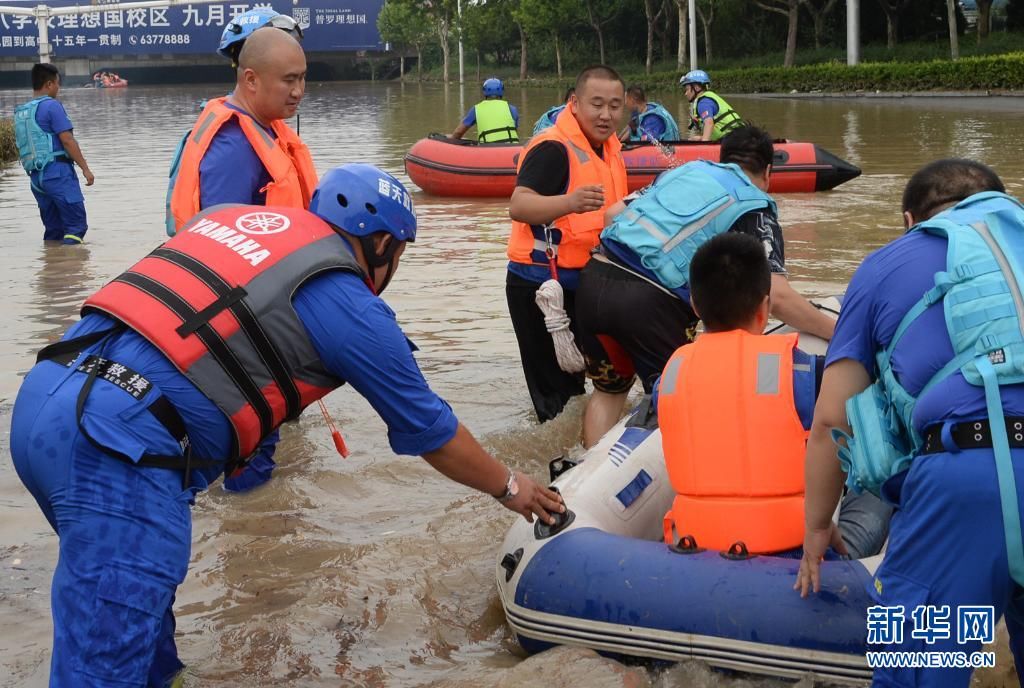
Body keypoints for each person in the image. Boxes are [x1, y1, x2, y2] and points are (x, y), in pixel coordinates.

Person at [9, 163, 565, 688]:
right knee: (104, 660)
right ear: (382, 246)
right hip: (117, 447)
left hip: (45, 400)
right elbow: (433, 432)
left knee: (129, 610)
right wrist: (512, 488)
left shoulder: (228, 220)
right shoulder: (350, 305)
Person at [794, 159, 1024, 686]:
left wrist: (816, 528)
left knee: (918, 670)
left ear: (908, 219)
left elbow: (834, 418)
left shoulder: (887, 265)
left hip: (967, 481)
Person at [574, 125, 835, 447]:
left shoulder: (686, 172)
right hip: (647, 304)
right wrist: (835, 332)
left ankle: (587, 476)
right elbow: (777, 296)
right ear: (768, 171)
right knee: (675, 399)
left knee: (608, 392)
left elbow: (612, 215)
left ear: (721, 158)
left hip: (593, 280)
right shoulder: (754, 205)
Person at [506, 64, 628, 423]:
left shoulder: (610, 149)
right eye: (597, 104)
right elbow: (519, 205)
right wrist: (570, 202)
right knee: (557, 398)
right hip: (541, 287)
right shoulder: (553, 149)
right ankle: (558, 463)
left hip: (588, 282)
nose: (606, 115)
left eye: (615, 105)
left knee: (590, 382)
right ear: (574, 103)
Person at [166, 26, 316, 234]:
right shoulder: (232, 149)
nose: (298, 91)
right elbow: (220, 245)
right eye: (289, 80)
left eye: (302, 78)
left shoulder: (265, 124)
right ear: (251, 80)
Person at [14, 63, 94, 245]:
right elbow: (67, 140)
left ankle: (52, 267)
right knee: (76, 226)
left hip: (36, 179)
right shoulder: (52, 106)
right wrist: (86, 169)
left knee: (54, 230)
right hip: (58, 173)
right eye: (58, 83)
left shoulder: (24, 111)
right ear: (49, 84)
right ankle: (73, 269)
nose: (59, 88)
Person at [679, 69, 745, 142]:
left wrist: (704, 144)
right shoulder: (708, 98)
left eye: (687, 89)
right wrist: (701, 138)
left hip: (735, 141)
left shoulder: (703, 103)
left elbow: (709, 123)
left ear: (696, 87)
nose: (685, 93)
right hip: (737, 138)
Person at [451, 77, 520, 143]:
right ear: (502, 91)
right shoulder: (512, 109)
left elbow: (458, 132)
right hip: (511, 149)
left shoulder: (476, 109)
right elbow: (514, 131)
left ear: (484, 91)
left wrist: (450, 144)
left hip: (488, 150)